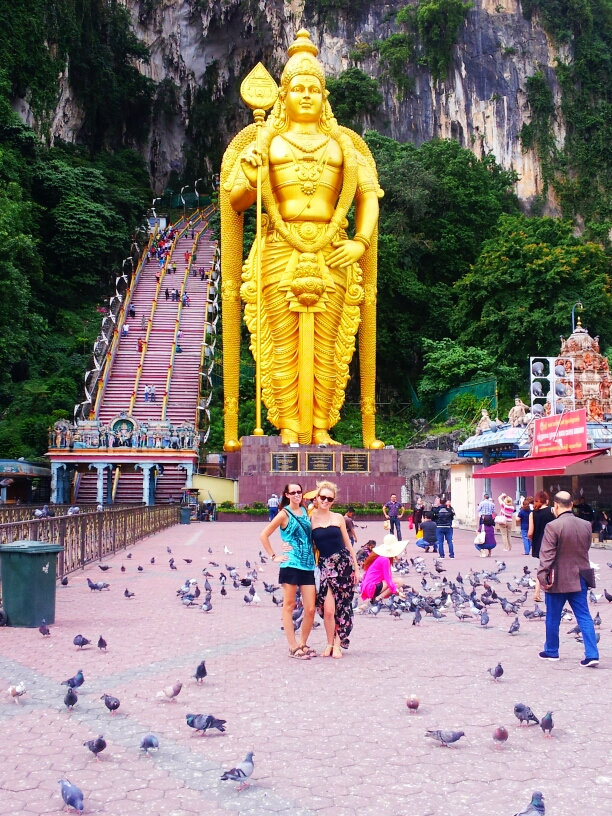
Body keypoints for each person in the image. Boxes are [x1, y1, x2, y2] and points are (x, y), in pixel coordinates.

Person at [220, 29, 384, 450]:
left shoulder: (344, 145)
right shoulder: (265, 141)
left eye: (314, 88)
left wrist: (360, 242)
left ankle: (322, 427)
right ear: (284, 96)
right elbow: (236, 200)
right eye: (298, 88)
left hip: (333, 249)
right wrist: (255, 171)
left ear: (324, 96)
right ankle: (289, 428)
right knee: (280, 343)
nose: (306, 95)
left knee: (331, 345)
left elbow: (368, 197)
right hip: (278, 247)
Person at [538, 491, 599, 667]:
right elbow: (585, 548)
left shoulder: (553, 526)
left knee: (553, 616)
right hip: (580, 575)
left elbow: (547, 555)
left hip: (558, 578)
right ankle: (592, 654)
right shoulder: (586, 524)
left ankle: (552, 651)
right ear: (571, 504)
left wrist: (542, 575)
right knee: (584, 616)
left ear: (556, 506)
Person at [259, 483, 317, 660]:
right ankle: (292, 646)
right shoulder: (283, 514)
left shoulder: (306, 512)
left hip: (308, 564)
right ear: (287, 495)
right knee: (289, 605)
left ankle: (302, 643)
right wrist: (274, 556)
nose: (297, 495)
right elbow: (264, 535)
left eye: (299, 492)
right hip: (290, 564)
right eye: (293, 492)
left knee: (310, 608)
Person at [311, 481, 359, 657]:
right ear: (316, 498)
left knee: (342, 607)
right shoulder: (310, 520)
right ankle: (329, 642)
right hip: (325, 567)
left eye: (329, 499)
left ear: (333, 501)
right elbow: (304, 544)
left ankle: (337, 644)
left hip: (344, 565)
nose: (325, 501)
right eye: (322, 497)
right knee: (328, 610)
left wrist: (356, 567)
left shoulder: (339, 517)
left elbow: (348, 543)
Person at [360, 535, 406, 606]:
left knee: (400, 589)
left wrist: (396, 590)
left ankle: (375, 598)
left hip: (368, 586)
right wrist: (397, 592)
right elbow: (388, 579)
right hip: (372, 587)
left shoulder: (379, 557)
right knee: (400, 582)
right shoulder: (385, 559)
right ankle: (378, 598)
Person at [528, 491, 555, 603]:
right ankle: (553, 589)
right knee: (554, 565)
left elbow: (530, 533)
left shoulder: (532, 513)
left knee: (542, 567)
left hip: (539, 543)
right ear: (547, 500)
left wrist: (534, 540)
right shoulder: (553, 510)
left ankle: (537, 592)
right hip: (552, 541)